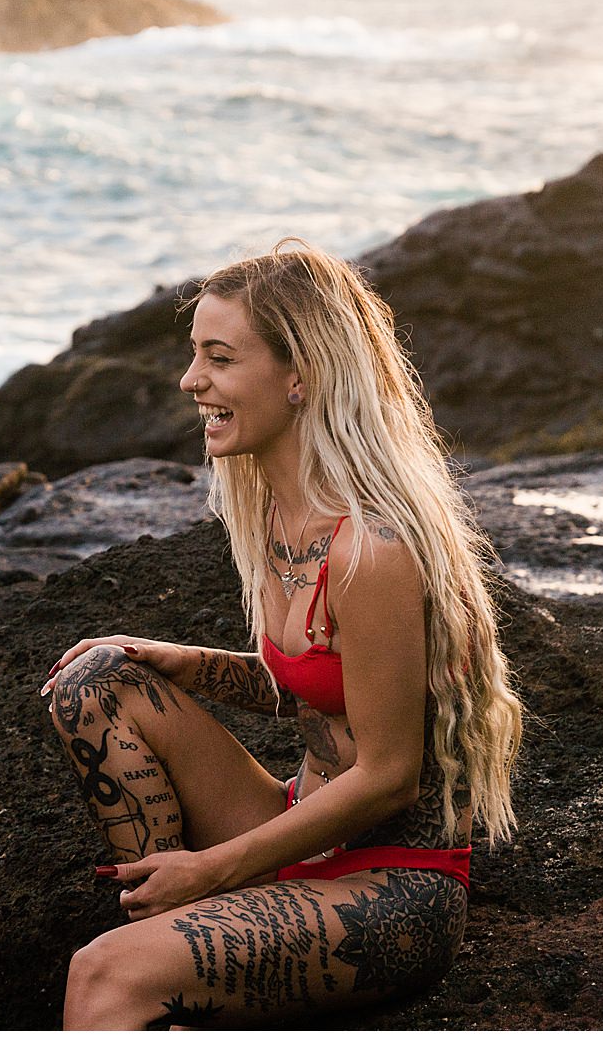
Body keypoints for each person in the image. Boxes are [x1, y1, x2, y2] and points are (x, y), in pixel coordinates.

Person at [42, 241, 523, 1028]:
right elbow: (319, 684)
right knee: (93, 680)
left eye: (219, 358)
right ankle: (161, 929)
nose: (190, 380)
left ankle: (160, 943)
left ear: (299, 375)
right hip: (294, 821)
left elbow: (391, 774)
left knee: (101, 977)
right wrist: (188, 664)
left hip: (392, 885)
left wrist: (209, 870)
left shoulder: (373, 547)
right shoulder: (273, 508)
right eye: (195, 354)